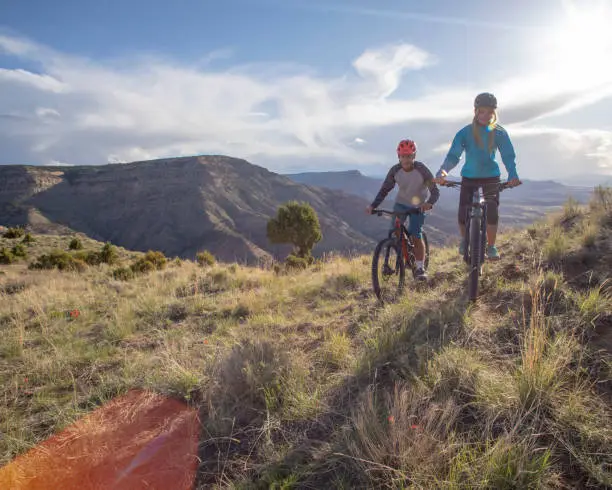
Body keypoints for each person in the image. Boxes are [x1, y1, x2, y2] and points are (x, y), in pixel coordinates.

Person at [433, 92, 521, 260]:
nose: (486, 115)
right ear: (475, 112)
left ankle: (491, 246)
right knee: (462, 212)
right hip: (469, 177)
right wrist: (442, 172)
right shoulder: (464, 133)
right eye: (482, 111)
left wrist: (513, 174)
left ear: (494, 113)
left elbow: (508, 155)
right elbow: (453, 156)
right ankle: (465, 240)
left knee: (492, 209)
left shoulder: (499, 133)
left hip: (491, 177)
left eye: (490, 112)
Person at [366, 138, 440, 281]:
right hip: (401, 204)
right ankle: (405, 255)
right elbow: (384, 190)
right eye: (403, 156)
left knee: (415, 233)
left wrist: (429, 203)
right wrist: (373, 206)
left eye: (409, 156)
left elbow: (435, 190)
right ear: (398, 157)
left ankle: (419, 268)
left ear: (414, 156)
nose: (406, 159)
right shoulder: (395, 170)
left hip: (419, 206)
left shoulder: (422, 170)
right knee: (395, 230)